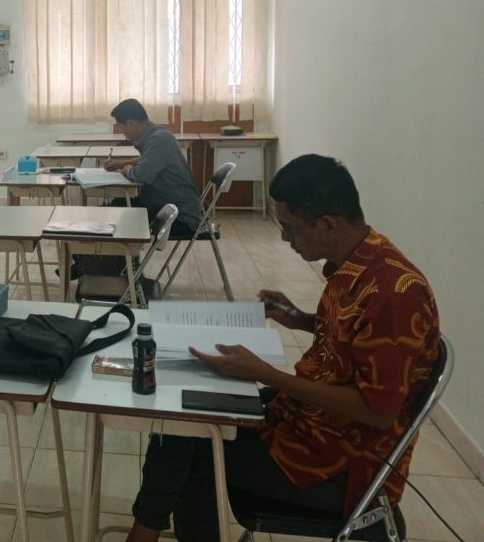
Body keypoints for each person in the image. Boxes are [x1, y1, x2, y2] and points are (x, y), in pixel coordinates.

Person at [125, 154, 441, 542]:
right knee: (189, 412)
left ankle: (143, 533)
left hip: (340, 464)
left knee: (191, 441)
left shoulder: (393, 293)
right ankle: (146, 531)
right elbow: (355, 340)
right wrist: (302, 319)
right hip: (306, 423)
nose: (285, 240)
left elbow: (377, 412)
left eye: (290, 229)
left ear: (328, 224)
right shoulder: (361, 260)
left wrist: (266, 374)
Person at [104, 98, 202, 236]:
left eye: (121, 127)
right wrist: (120, 164)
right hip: (165, 203)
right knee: (116, 205)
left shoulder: (159, 139)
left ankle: (122, 249)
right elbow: (147, 159)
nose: (122, 133)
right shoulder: (155, 133)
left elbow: (141, 175)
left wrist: (127, 170)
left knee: (115, 217)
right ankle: (122, 250)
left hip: (178, 214)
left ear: (131, 123)